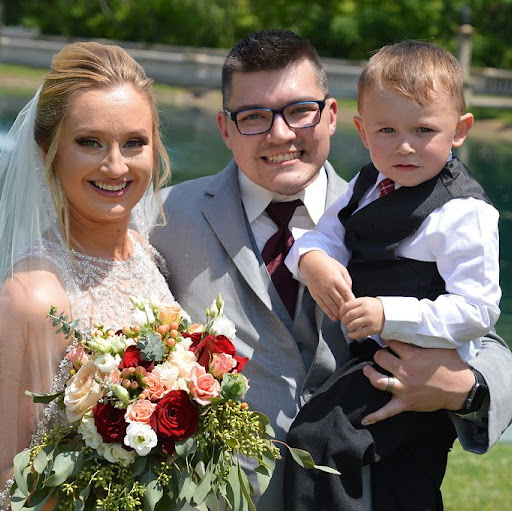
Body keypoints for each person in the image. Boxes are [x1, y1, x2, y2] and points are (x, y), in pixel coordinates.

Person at [149, 30, 512, 510]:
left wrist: (463, 389)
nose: (281, 134)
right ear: (224, 127)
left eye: (299, 110)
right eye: (254, 116)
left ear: (333, 116)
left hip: (364, 493)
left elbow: (488, 341)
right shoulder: (163, 216)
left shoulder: (407, 205)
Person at [284, 39, 501, 510]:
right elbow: (324, 236)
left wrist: (389, 313)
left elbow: (478, 311)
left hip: (421, 372)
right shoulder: (365, 184)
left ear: (460, 130)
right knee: (363, 467)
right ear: (362, 131)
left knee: (324, 443)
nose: (404, 146)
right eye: (386, 130)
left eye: (423, 129)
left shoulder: (465, 212)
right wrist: (313, 260)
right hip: (368, 363)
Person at [0, 41, 181, 507]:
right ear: (48, 152)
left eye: (134, 143)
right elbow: (9, 479)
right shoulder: (35, 295)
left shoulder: (144, 251)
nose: (116, 165)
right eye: (90, 142)